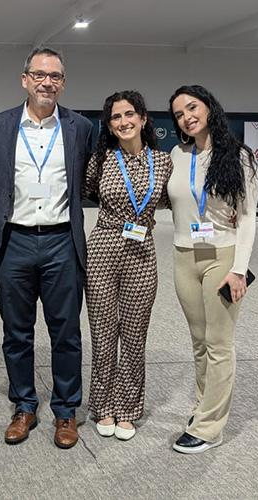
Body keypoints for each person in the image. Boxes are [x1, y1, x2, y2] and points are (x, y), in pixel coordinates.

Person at [0, 47, 93, 449]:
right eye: (40, 75)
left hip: (63, 242)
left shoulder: (80, 127)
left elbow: (87, 178)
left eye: (56, 76)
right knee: (17, 332)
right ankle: (24, 406)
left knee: (66, 332)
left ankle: (66, 412)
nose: (48, 82)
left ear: (63, 82)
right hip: (14, 240)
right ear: (24, 79)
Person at [168, 85, 258, 454]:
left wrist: (239, 269)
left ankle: (209, 428)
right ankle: (203, 407)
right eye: (178, 113)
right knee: (199, 341)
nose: (187, 116)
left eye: (192, 107)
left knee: (220, 343)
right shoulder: (177, 153)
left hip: (222, 256)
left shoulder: (237, 156)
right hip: (183, 255)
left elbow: (249, 218)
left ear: (209, 109)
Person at [84, 91, 173, 441]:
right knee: (104, 333)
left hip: (141, 251)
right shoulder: (102, 159)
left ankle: (129, 408)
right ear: (109, 125)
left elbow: (171, 198)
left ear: (143, 118)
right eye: (115, 117)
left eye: (129, 114)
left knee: (135, 336)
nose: (123, 122)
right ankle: (103, 404)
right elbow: (89, 190)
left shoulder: (163, 161)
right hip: (104, 246)